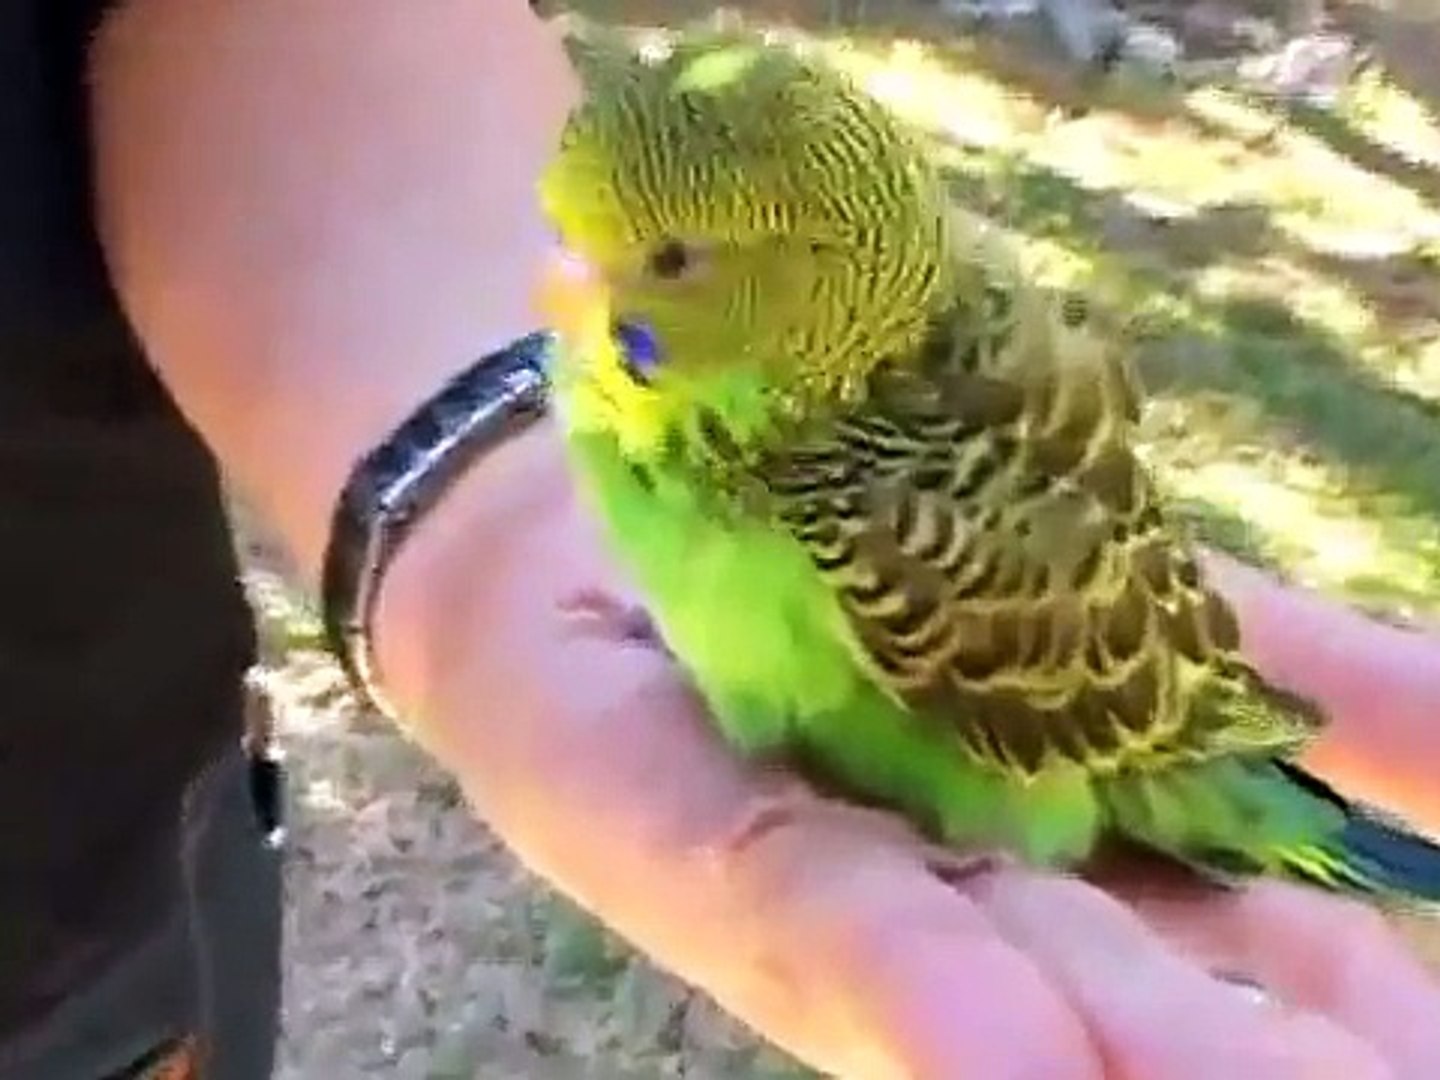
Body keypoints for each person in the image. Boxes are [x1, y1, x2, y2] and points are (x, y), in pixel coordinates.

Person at [4, 2, 1440, 1077]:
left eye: (654, 262)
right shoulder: (660, 387)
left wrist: (476, 523)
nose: (566, 286)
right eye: (576, 235)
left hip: (101, 968)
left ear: (783, 291)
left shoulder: (893, 509)